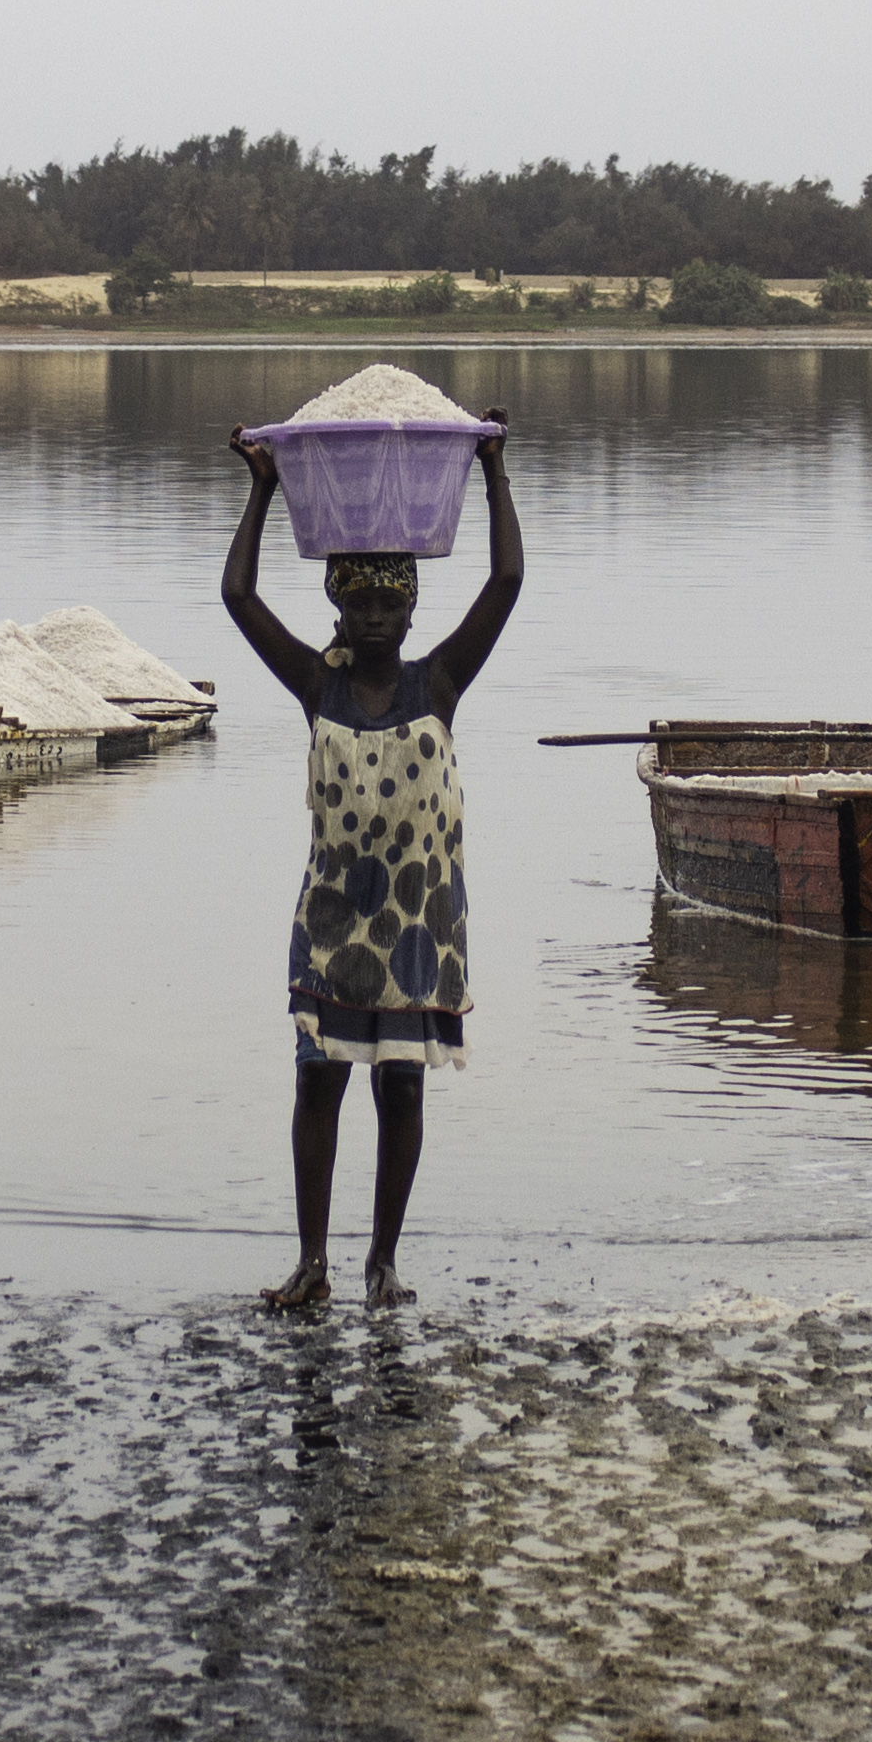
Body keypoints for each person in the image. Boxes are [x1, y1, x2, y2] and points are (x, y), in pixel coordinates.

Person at [223, 416, 522, 1312]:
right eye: (362, 607)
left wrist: (493, 468)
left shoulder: (441, 681)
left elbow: (506, 581)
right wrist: (263, 488)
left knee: (400, 1087)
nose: (379, 620)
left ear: (413, 609)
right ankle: (312, 1262)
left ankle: (381, 1262)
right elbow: (237, 598)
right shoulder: (318, 685)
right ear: (340, 610)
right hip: (332, 919)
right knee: (319, 1082)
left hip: (418, 920)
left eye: (393, 606)